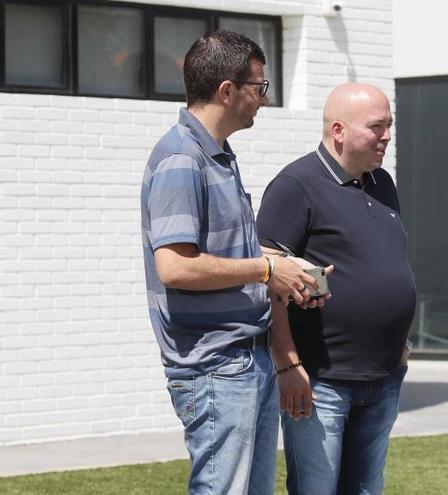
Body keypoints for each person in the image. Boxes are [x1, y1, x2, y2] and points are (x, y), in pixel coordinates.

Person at [140, 30, 324, 494]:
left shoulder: (219, 156)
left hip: (243, 360)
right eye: (259, 87)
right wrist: (265, 270)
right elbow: (175, 267)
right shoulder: (182, 159)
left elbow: (227, 255)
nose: (264, 99)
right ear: (227, 90)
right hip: (215, 368)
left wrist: (290, 270)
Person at [256, 83, 416, 495]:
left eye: (389, 125)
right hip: (320, 383)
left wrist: (399, 340)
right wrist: (287, 363)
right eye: (377, 126)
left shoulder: (382, 183)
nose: (387, 136)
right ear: (339, 131)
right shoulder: (295, 185)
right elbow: (268, 279)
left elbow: (385, 266)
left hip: (383, 376)